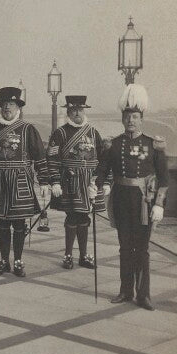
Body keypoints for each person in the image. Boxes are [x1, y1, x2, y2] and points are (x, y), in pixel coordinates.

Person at [95, 84, 169, 311]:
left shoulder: (152, 144)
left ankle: (144, 295)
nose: (131, 121)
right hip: (120, 201)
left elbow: (164, 178)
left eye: (135, 117)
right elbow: (102, 170)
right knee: (125, 248)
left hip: (143, 203)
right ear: (122, 118)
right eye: (127, 117)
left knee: (142, 249)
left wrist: (159, 204)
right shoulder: (113, 144)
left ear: (141, 119)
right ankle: (126, 291)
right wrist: (94, 185)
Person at [0, 86, 50, 277]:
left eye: (10, 104)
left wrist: (44, 181)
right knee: (2, 223)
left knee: (19, 223)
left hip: (20, 180)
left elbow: (40, 157)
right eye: (4, 105)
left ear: (18, 107)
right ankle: (3, 261)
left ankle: (18, 261)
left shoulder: (28, 129)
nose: (7, 108)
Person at [47, 95, 110, 270]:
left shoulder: (93, 132)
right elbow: (52, 159)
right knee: (72, 216)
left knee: (84, 217)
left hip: (89, 182)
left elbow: (103, 160)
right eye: (73, 110)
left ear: (84, 111)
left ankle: (83, 255)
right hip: (70, 180)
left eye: (80, 110)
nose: (77, 113)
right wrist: (55, 181)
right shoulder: (59, 133)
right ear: (67, 112)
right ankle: (68, 255)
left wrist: (102, 181)